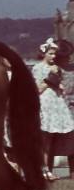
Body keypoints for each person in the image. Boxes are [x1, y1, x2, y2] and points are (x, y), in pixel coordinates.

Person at [32, 38, 74, 181]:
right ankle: (44, 170)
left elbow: (61, 87)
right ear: (44, 53)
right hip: (46, 105)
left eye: (55, 54)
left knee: (59, 139)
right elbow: (37, 89)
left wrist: (57, 81)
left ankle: (50, 170)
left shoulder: (56, 68)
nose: (53, 56)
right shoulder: (38, 68)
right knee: (45, 141)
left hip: (57, 104)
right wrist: (51, 78)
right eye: (50, 53)